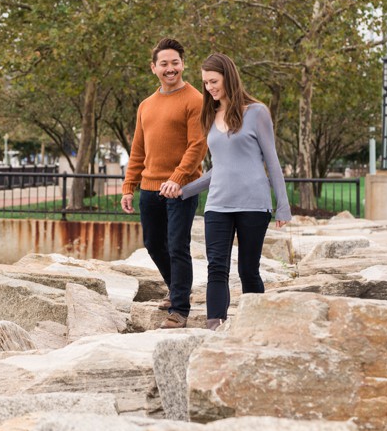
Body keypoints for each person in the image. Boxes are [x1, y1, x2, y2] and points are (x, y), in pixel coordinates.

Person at [170, 53, 291, 331]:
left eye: (214, 81)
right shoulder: (210, 116)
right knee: (216, 268)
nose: (210, 87)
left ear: (228, 77)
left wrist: (282, 205)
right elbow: (218, 170)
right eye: (205, 83)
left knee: (248, 270)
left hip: (253, 205)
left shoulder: (257, 112)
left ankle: (257, 327)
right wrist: (184, 190)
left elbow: (271, 162)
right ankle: (215, 326)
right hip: (217, 205)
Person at [121, 37, 207, 329]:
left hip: (181, 189)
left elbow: (198, 146)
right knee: (153, 243)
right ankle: (176, 287)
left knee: (177, 245)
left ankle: (180, 308)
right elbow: (138, 150)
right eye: (164, 64)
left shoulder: (196, 99)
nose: (170, 69)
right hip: (149, 187)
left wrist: (177, 178)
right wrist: (128, 186)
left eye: (175, 63)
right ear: (154, 68)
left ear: (183, 65)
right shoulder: (146, 105)